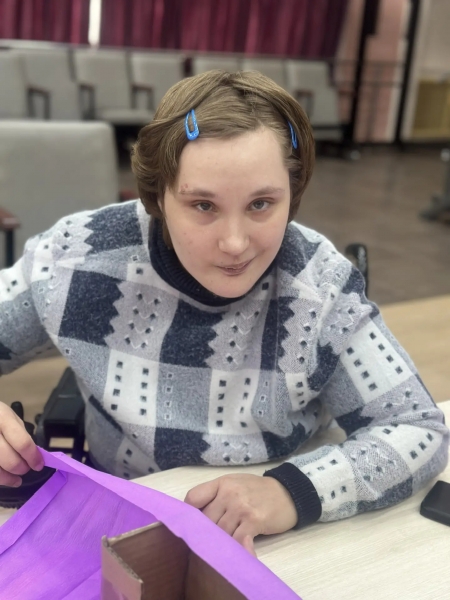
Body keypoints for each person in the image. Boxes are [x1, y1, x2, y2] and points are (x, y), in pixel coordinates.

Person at [0, 70, 448, 556]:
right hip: (118, 514)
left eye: (261, 204)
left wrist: (290, 492)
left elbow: (417, 427)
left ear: (293, 194)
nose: (235, 243)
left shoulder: (322, 289)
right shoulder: (75, 259)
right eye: (202, 205)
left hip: (276, 536)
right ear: (158, 195)